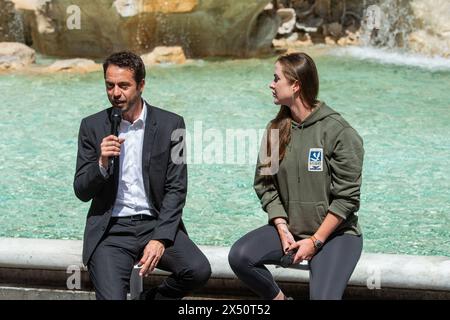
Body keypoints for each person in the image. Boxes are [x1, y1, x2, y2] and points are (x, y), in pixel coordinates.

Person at [74, 51, 211, 300]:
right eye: (110, 85)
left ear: (141, 85)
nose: (116, 93)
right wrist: (101, 163)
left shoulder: (172, 124)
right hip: (111, 231)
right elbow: (81, 191)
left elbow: (176, 188)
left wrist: (160, 238)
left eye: (124, 85)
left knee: (198, 270)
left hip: (154, 223)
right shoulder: (92, 126)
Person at [228, 52, 364, 300]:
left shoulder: (340, 132)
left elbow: (347, 198)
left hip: (335, 237)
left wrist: (316, 241)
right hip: (290, 232)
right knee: (240, 256)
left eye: (276, 78)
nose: (271, 84)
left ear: (296, 85)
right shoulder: (275, 129)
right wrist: (281, 226)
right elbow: (264, 184)